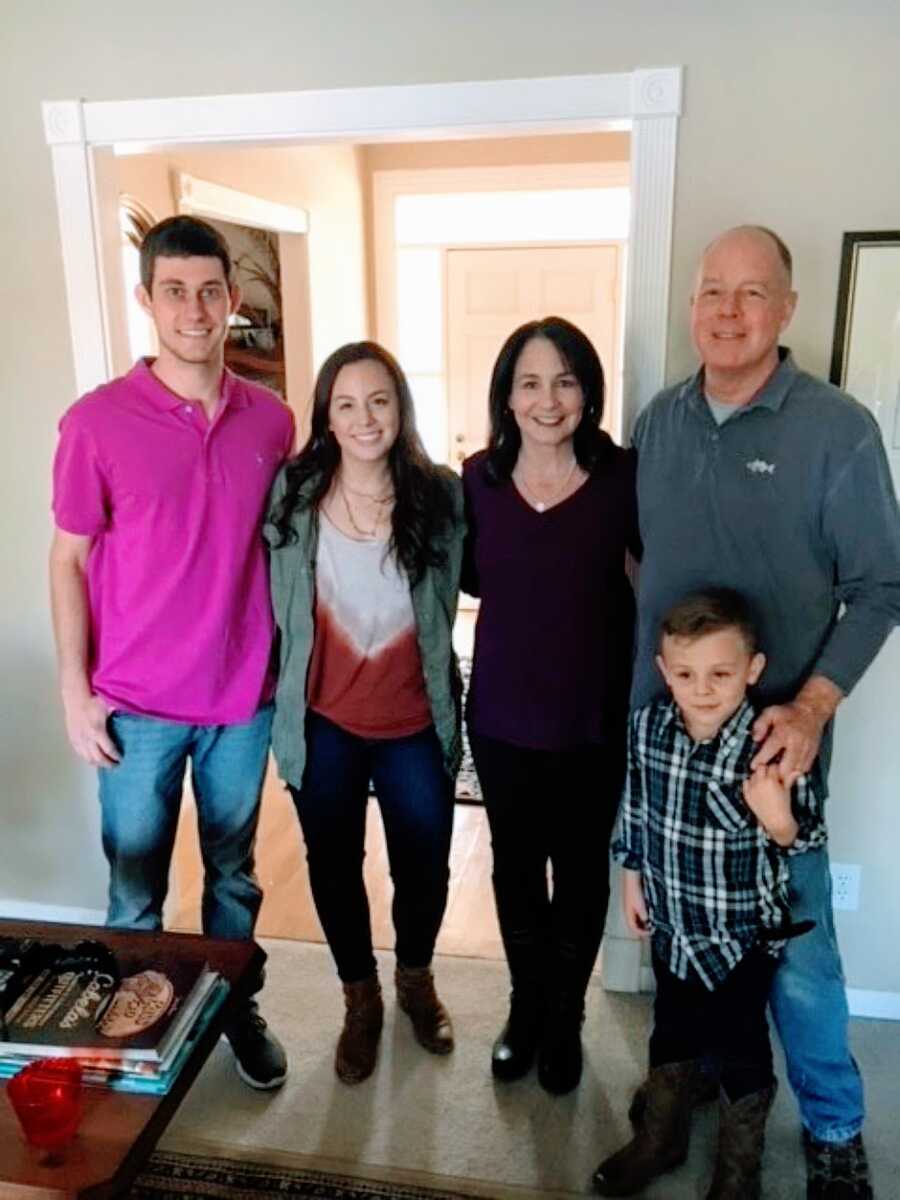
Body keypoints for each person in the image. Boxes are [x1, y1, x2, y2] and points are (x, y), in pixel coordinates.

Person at [630, 225, 900, 1198]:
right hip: (668, 756)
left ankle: (833, 1129)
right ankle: (703, 1079)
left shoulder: (837, 431)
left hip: (772, 770)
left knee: (800, 963)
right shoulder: (659, 424)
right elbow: (641, 577)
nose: (728, 313)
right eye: (712, 292)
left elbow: (880, 585)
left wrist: (816, 704)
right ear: (692, 306)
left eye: (752, 294)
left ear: (788, 310)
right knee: (683, 945)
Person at [49, 215, 294, 1089]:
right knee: (134, 887)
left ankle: (234, 1008)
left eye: (211, 291)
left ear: (231, 301)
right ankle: (133, 1020)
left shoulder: (272, 421)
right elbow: (69, 558)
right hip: (135, 707)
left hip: (240, 700)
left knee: (235, 874)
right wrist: (75, 692)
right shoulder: (95, 423)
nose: (196, 309)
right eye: (177, 291)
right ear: (147, 299)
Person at [265, 341, 465, 1085]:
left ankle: (415, 978)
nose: (363, 417)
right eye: (345, 403)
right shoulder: (293, 495)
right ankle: (360, 998)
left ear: (400, 407)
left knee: (425, 867)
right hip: (323, 721)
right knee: (332, 867)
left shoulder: (441, 497)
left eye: (378, 400)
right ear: (326, 414)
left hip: (417, 721)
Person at [593, 589, 823, 1198]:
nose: (703, 688)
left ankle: (738, 1168)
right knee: (671, 1029)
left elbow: (804, 841)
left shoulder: (771, 742)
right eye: (687, 673)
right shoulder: (647, 727)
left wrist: (777, 818)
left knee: (741, 1046)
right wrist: (630, 876)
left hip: (743, 936)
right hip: (673, 924)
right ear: (665, 670)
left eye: (721, 674)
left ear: (753, 670)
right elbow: (635, 806)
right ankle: (661, 1139)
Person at [462, 316, 639, 1095]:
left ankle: (565, 1016)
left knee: (581, 871)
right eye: (530, 382)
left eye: (566, 380)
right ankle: (525, 1005)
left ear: (589, 392)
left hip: (593, 720)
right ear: (506, 396)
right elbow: (463, 579)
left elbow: (654, 578)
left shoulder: (624, 477)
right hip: (501, 720)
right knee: (514, 868)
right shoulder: (476, 481)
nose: (548, 399)